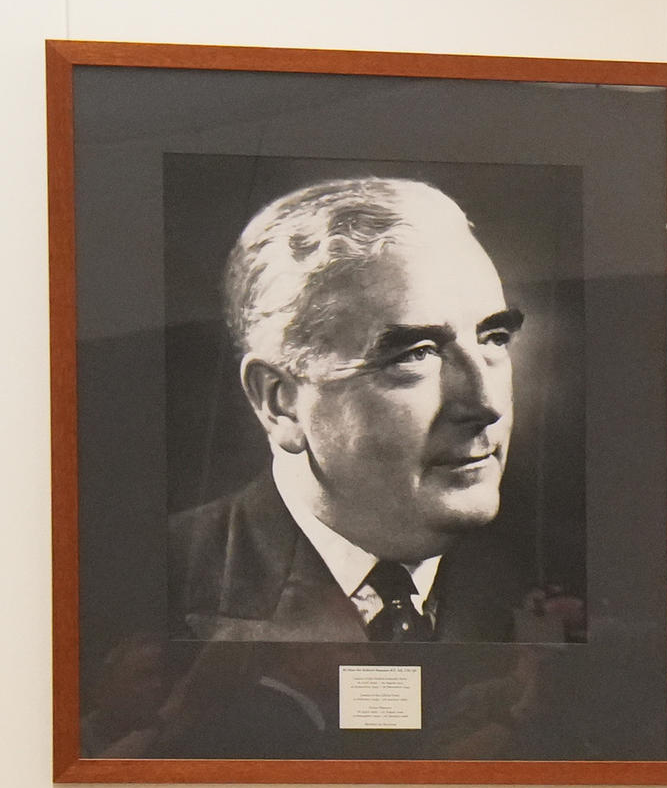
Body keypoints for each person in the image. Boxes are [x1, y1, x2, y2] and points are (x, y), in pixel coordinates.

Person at [169, 175, 535, 644]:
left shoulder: (552, 582)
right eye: (415, 354)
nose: (485, 405)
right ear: (280, 402)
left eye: (494, 339)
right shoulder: (157, 581)